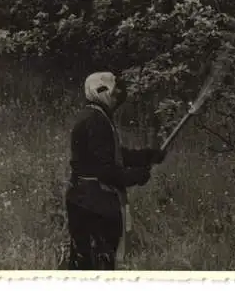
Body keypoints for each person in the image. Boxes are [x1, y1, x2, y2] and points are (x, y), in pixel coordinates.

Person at [64, 71, 166, 270]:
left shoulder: (96, 116)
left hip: (85, 199)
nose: (118, 96)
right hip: (93, 203)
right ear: (101, 91)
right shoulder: (96, 120)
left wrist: (147, 156)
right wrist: (136, 176)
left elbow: (114, 156)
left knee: (86, 261)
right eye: (114, 90)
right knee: (96, 263)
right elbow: (105, 170)